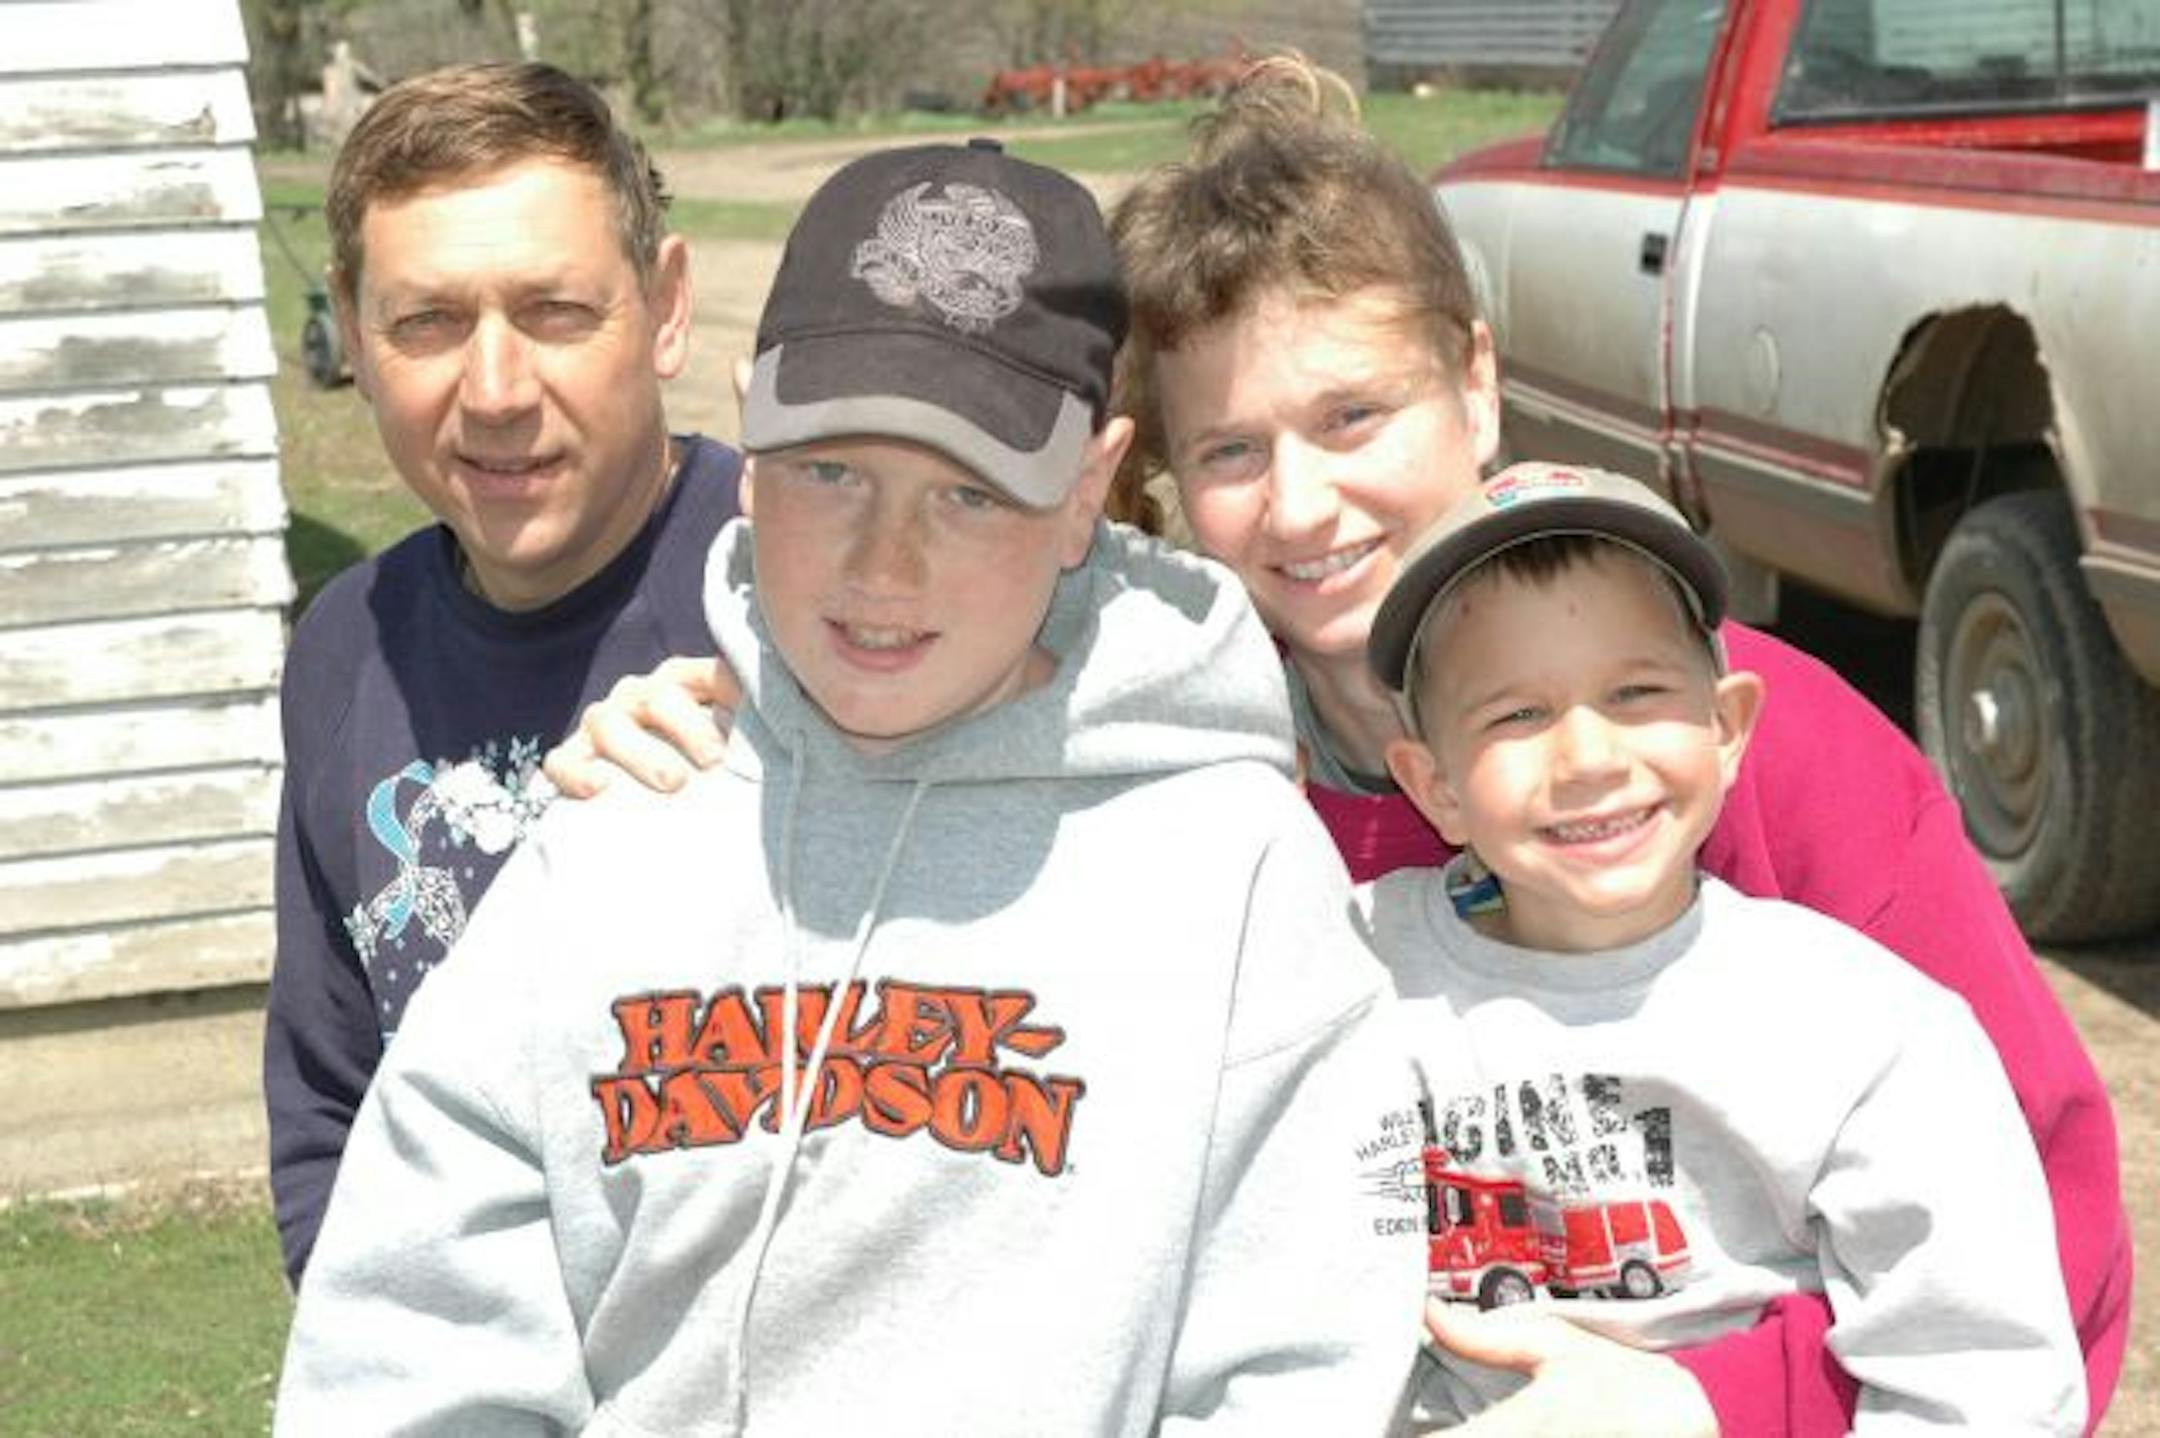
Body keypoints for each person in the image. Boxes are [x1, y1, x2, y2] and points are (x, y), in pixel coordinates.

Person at [546, 56, 2131, 1434]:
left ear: (1480, 385)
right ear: (1148, 481)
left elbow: (2041, 1255)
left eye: (1356, 416)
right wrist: (738, 733)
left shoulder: (1748, 744)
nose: (1300, 508)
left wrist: (1715, 1404)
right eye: (1232, 450)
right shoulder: (1168, 785)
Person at [273, 140, 1429, 1434]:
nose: (886, 563)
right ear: (748, 441)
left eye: (970, 490)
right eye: (829, 471)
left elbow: (1304, 1365)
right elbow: (412, 1346)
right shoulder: (613, 839)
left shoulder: (1234, 875)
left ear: (1085, 491)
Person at [1364, 461, 2085, 1431]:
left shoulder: (1862, 1028)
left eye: (1635, 691)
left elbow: (1985, 1378)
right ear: (1431, 784)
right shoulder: (1347, 978)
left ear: (1729, 726)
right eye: (1517, 715)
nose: (1587, 759)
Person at [261, 60, 743, 1287]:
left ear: (666, 306)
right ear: (356, 337)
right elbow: (331, 1105)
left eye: (555, 311)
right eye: (426, 322)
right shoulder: (342, 645)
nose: (493, 391)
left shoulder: (810, 595)